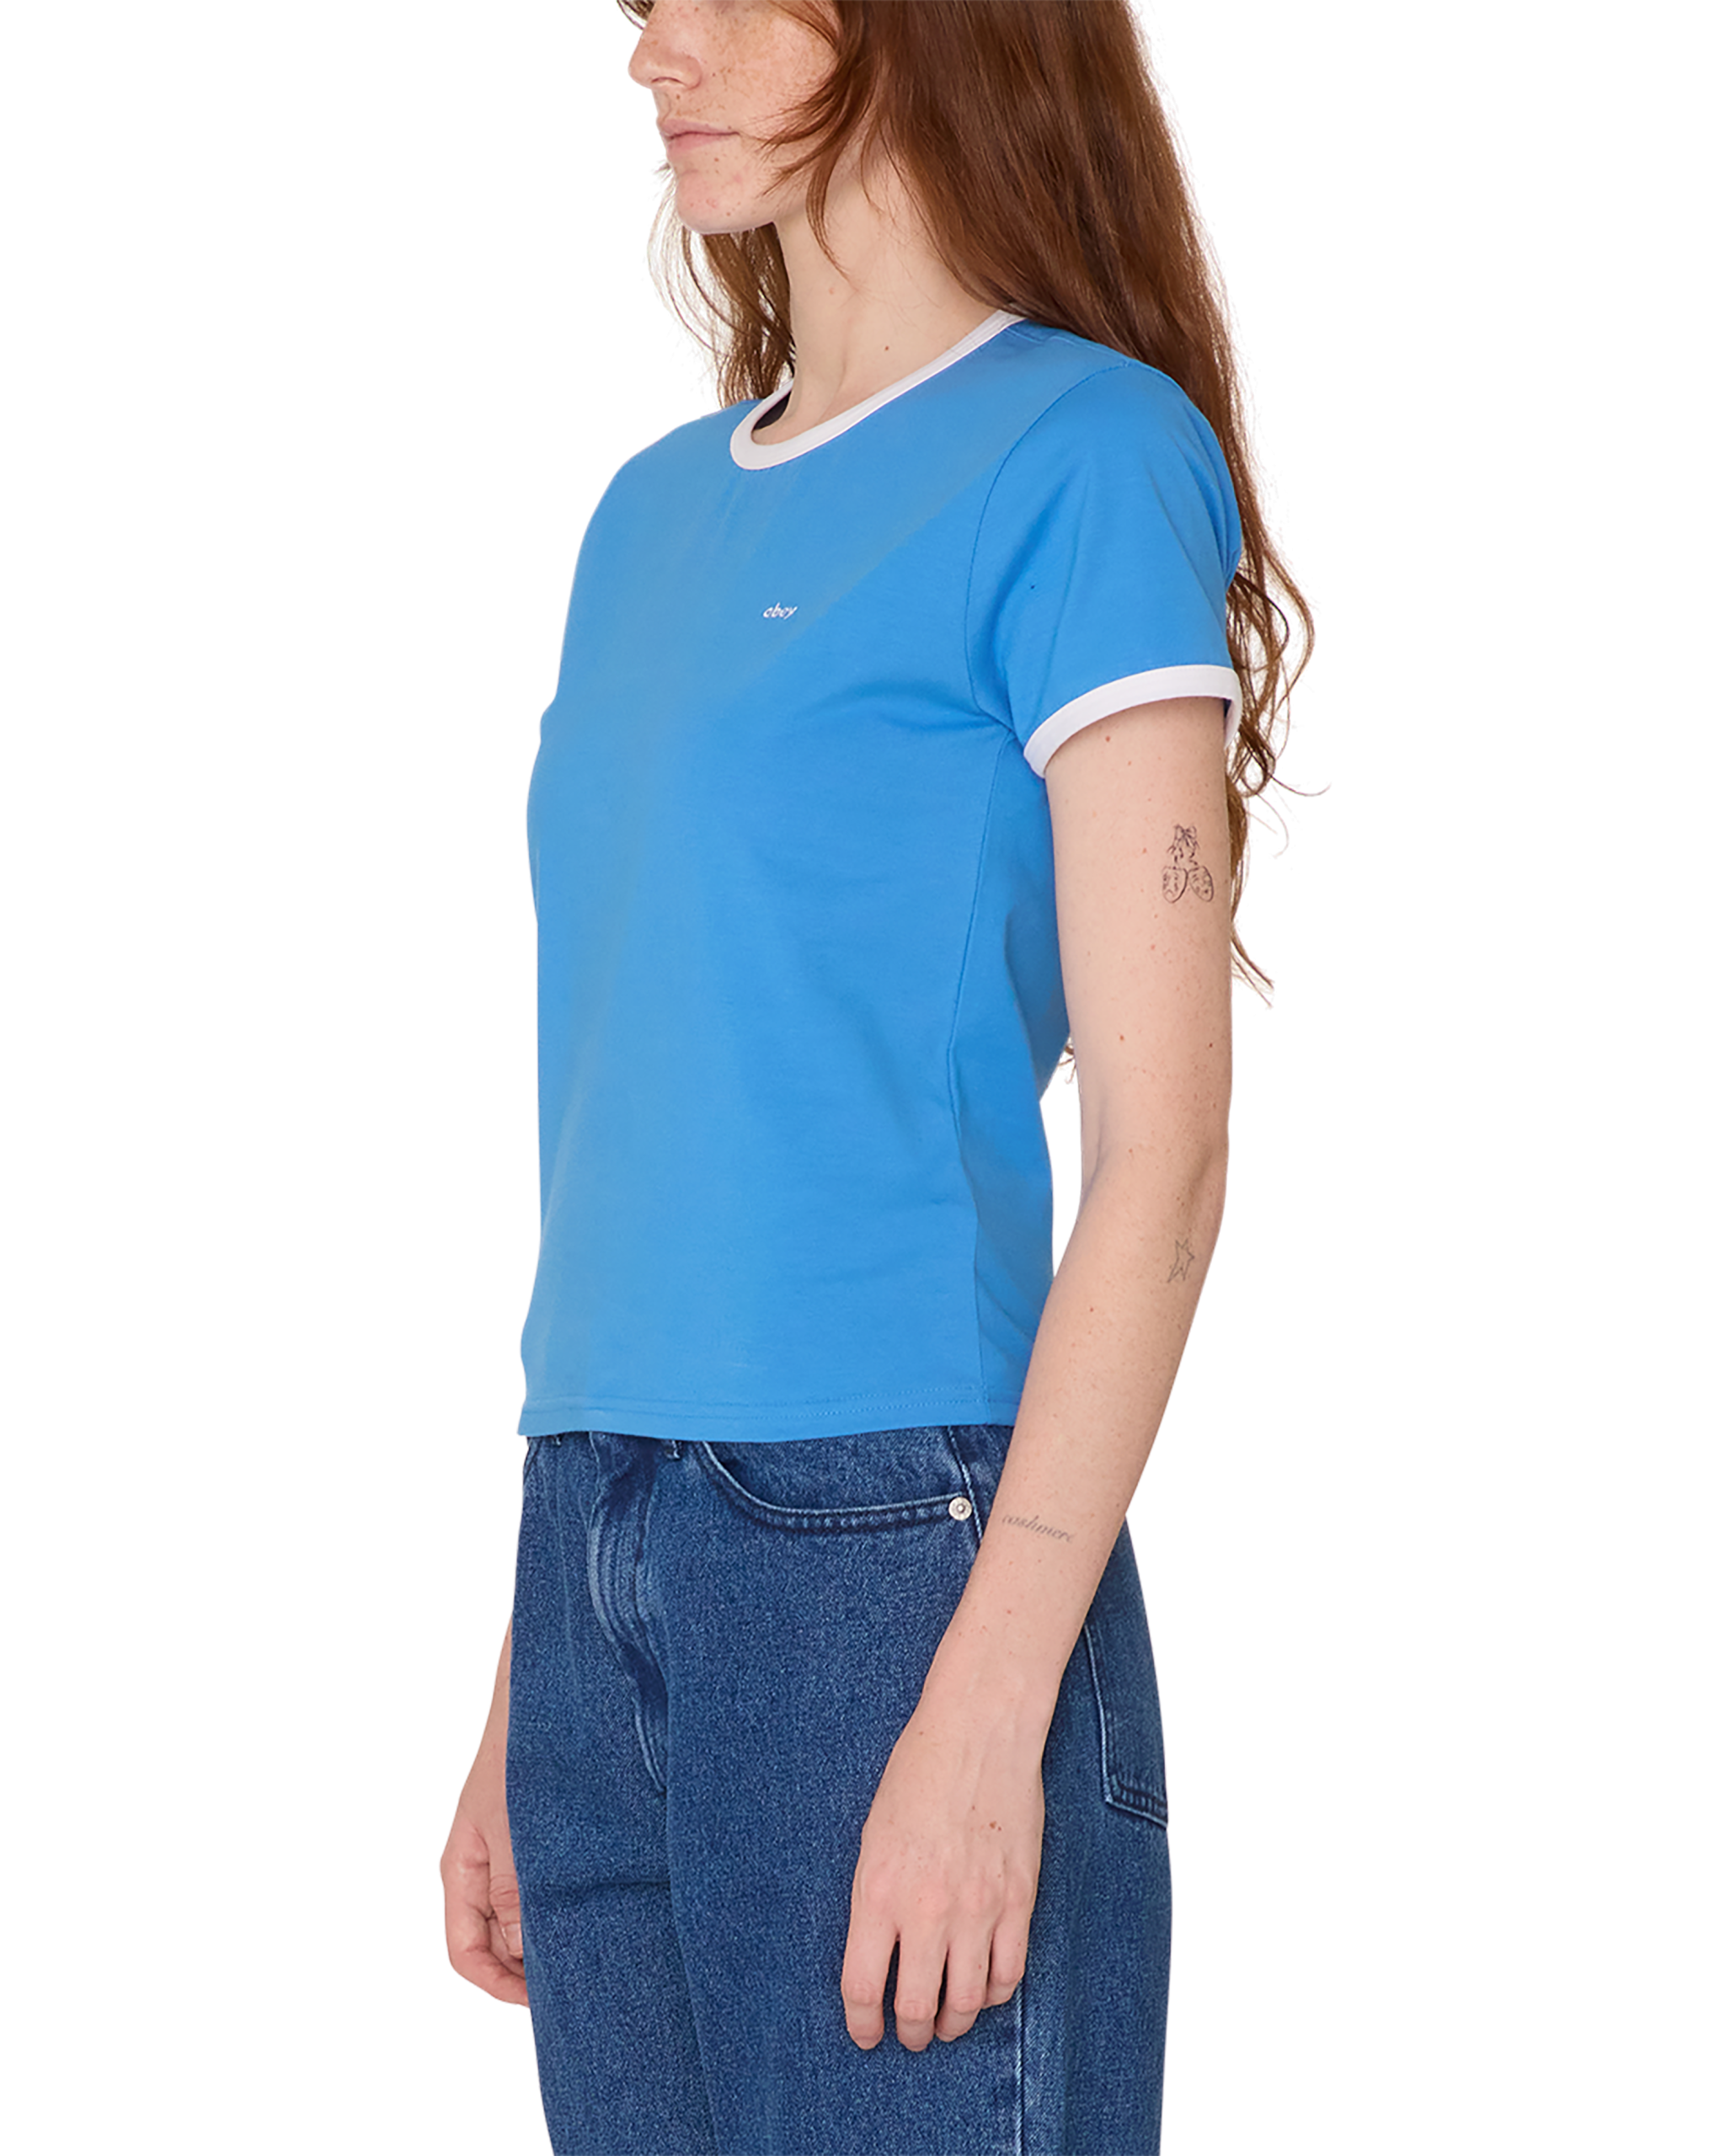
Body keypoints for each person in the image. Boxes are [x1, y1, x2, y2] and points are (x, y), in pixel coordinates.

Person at [438, 3, 1318, 2149]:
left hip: (890, 1546)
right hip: (594, 1532)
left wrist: (989, 1703)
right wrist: (528, 1675)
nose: (657, 57)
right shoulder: (644, 514)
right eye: (649, 8)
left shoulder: (1083, 456)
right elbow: (639, 1104)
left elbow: (1168, 1158)